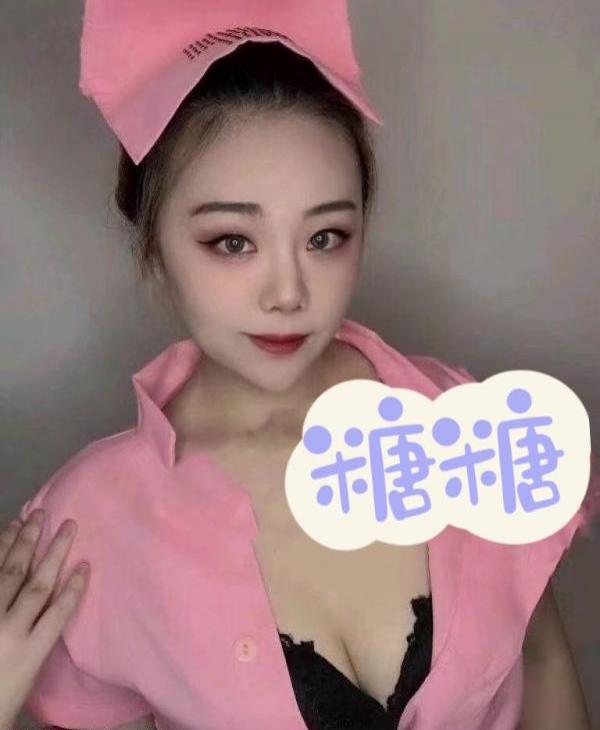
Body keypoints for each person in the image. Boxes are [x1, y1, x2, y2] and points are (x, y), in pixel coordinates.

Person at [6, 15, 600, 730]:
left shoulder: (460, 416)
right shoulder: (84, 529)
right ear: (153, 247)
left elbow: (542, 657)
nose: (288, 293)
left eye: (325, 237)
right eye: (233, 242)